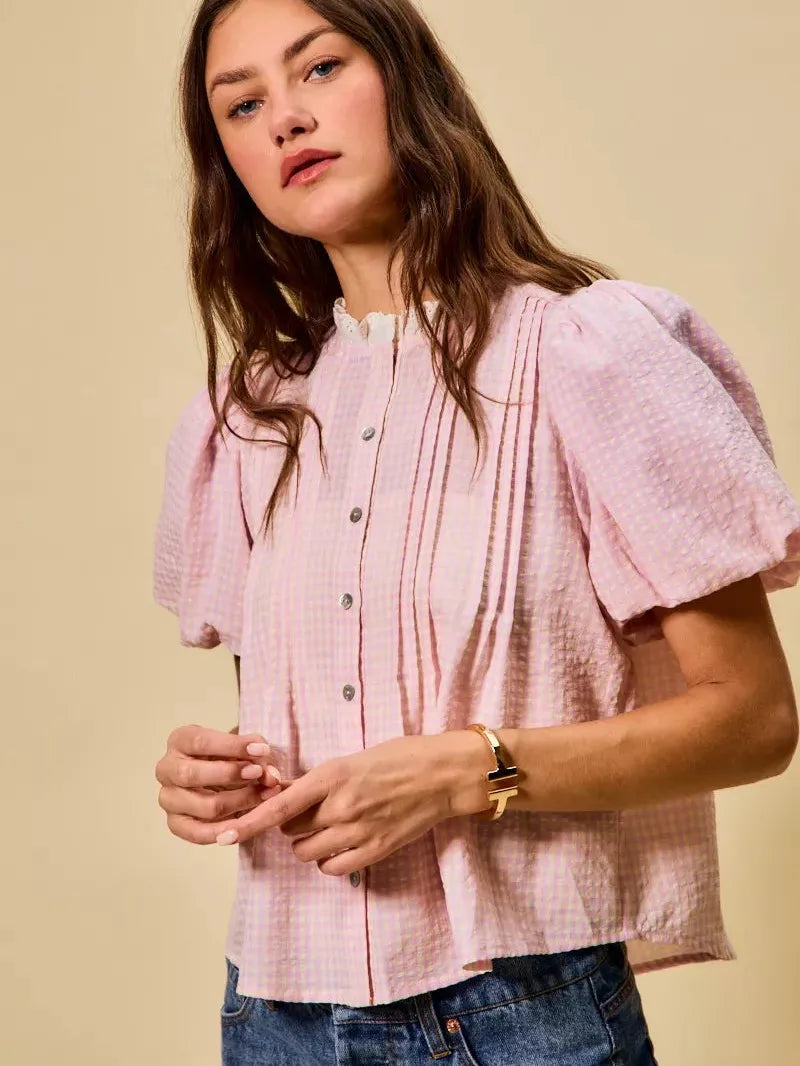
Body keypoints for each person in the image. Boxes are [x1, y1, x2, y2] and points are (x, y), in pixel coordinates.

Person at [151, 0, 800, 1062]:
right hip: (275, 1012)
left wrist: (472, 770)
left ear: (405, 79)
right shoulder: (248, 418)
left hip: (518, 1012)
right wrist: (213, 777)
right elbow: (305, 717)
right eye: (243, 105)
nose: (286, 118)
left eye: (319, 68)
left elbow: (755, 720)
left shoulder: (589, 354)